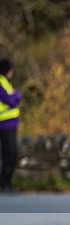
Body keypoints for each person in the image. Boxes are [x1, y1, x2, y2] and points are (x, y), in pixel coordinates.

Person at [0, 58, 21, 194]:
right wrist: (16, 95)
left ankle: (5, 182)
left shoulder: (6, 82)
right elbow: (10, 99)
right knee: (10, 154)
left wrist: (15, 95)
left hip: (10, 124)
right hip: (4, 124)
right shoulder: (1, 82)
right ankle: (4, 182)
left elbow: (14, 96)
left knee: (11, 154)